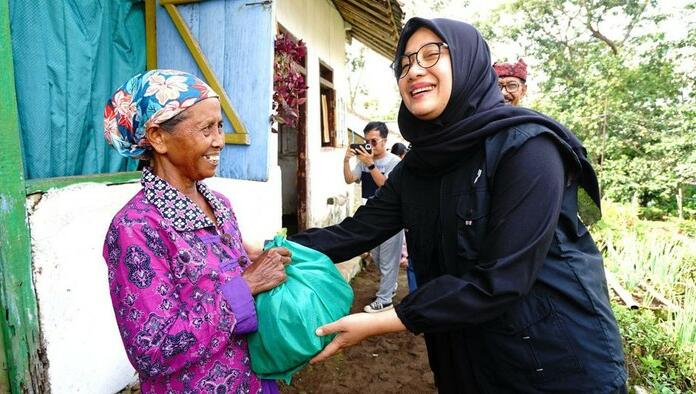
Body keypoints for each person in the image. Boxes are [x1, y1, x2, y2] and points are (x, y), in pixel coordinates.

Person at [290, 18, 627, 393]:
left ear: (468, 63)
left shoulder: (527, 148)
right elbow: (355, 232)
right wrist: (277, 249)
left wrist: (386, 318)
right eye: (403, 64)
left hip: (553, 363)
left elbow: (501, 279)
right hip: (465, 357)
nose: (413, 69)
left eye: (431, 54)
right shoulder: (418, 167)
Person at [102, 70, 290, 393]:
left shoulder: (220, 205)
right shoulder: (135, 228)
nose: (219, 140)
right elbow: (152, 349)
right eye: (206, 128)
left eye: (219, 126)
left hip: (254, 381)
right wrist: (246, 286)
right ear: (158, 137)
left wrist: (254, 261)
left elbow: (218, 276)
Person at [343, 121, 403, 312]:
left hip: (390, 216)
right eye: (366, 141)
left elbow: (387, 188)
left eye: (374, 141)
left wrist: (370, 165)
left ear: (384, 141)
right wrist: (346, 160)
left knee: (388, 259)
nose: (370, 145)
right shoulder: (363, 161)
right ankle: (390, 286)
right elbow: (349, 179)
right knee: (377, 256)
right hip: (370, 216)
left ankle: (384, 300)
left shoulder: (395, 162)